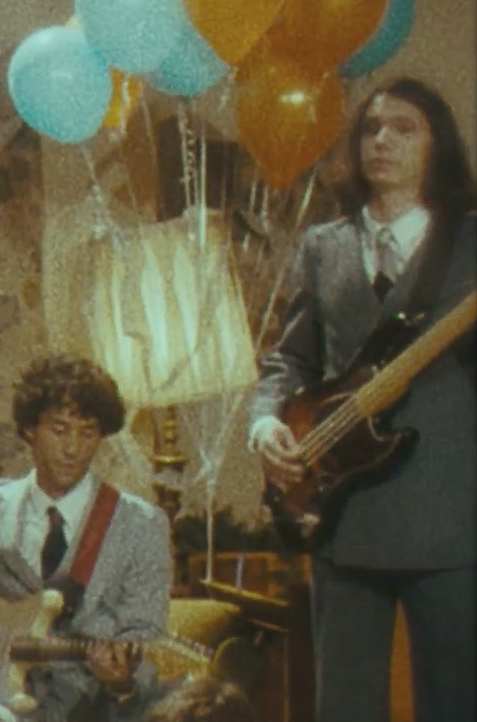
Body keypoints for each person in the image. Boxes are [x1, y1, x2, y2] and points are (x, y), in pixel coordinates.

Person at [248, 76, 476, 722]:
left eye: (405, 128)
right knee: (344, 707)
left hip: (451, 517)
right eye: (372, 128)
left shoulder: (469, 243)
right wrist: (264, 425)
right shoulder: (325, 246)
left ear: (437, 145)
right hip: (342, 514)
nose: (383, 141)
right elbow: (289, 360)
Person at [0, 354, 172, 722]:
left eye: (87, 433)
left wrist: (121, 681)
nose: (73, 448)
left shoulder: (140, 524)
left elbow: (147, 642)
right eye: (59, 429)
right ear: (31, 428)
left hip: (91, 710)